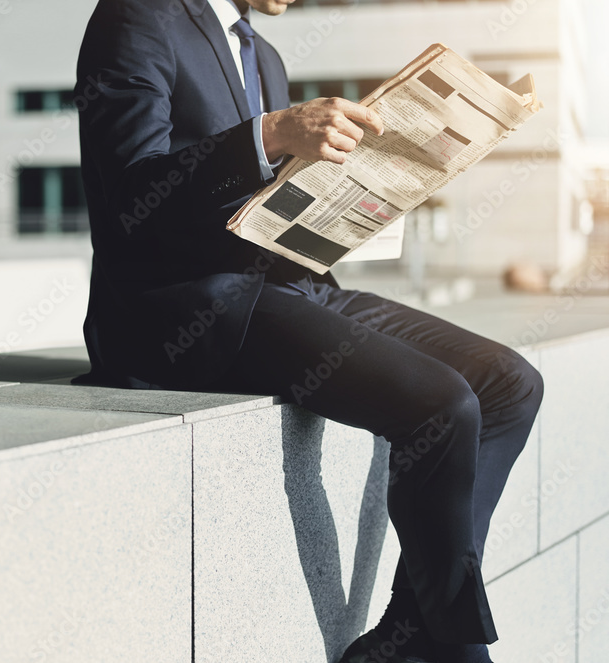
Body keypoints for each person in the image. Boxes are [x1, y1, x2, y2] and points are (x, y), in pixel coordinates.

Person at [71, 0, 544, 662]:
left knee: (509, 382)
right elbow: (127, 194)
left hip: (289, 280)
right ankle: (456, 649)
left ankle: (409, 632)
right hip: (192, 307)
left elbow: (263, 200)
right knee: (442, 401)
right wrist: (270, 133)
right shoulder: (138, 16)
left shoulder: (263, 54)